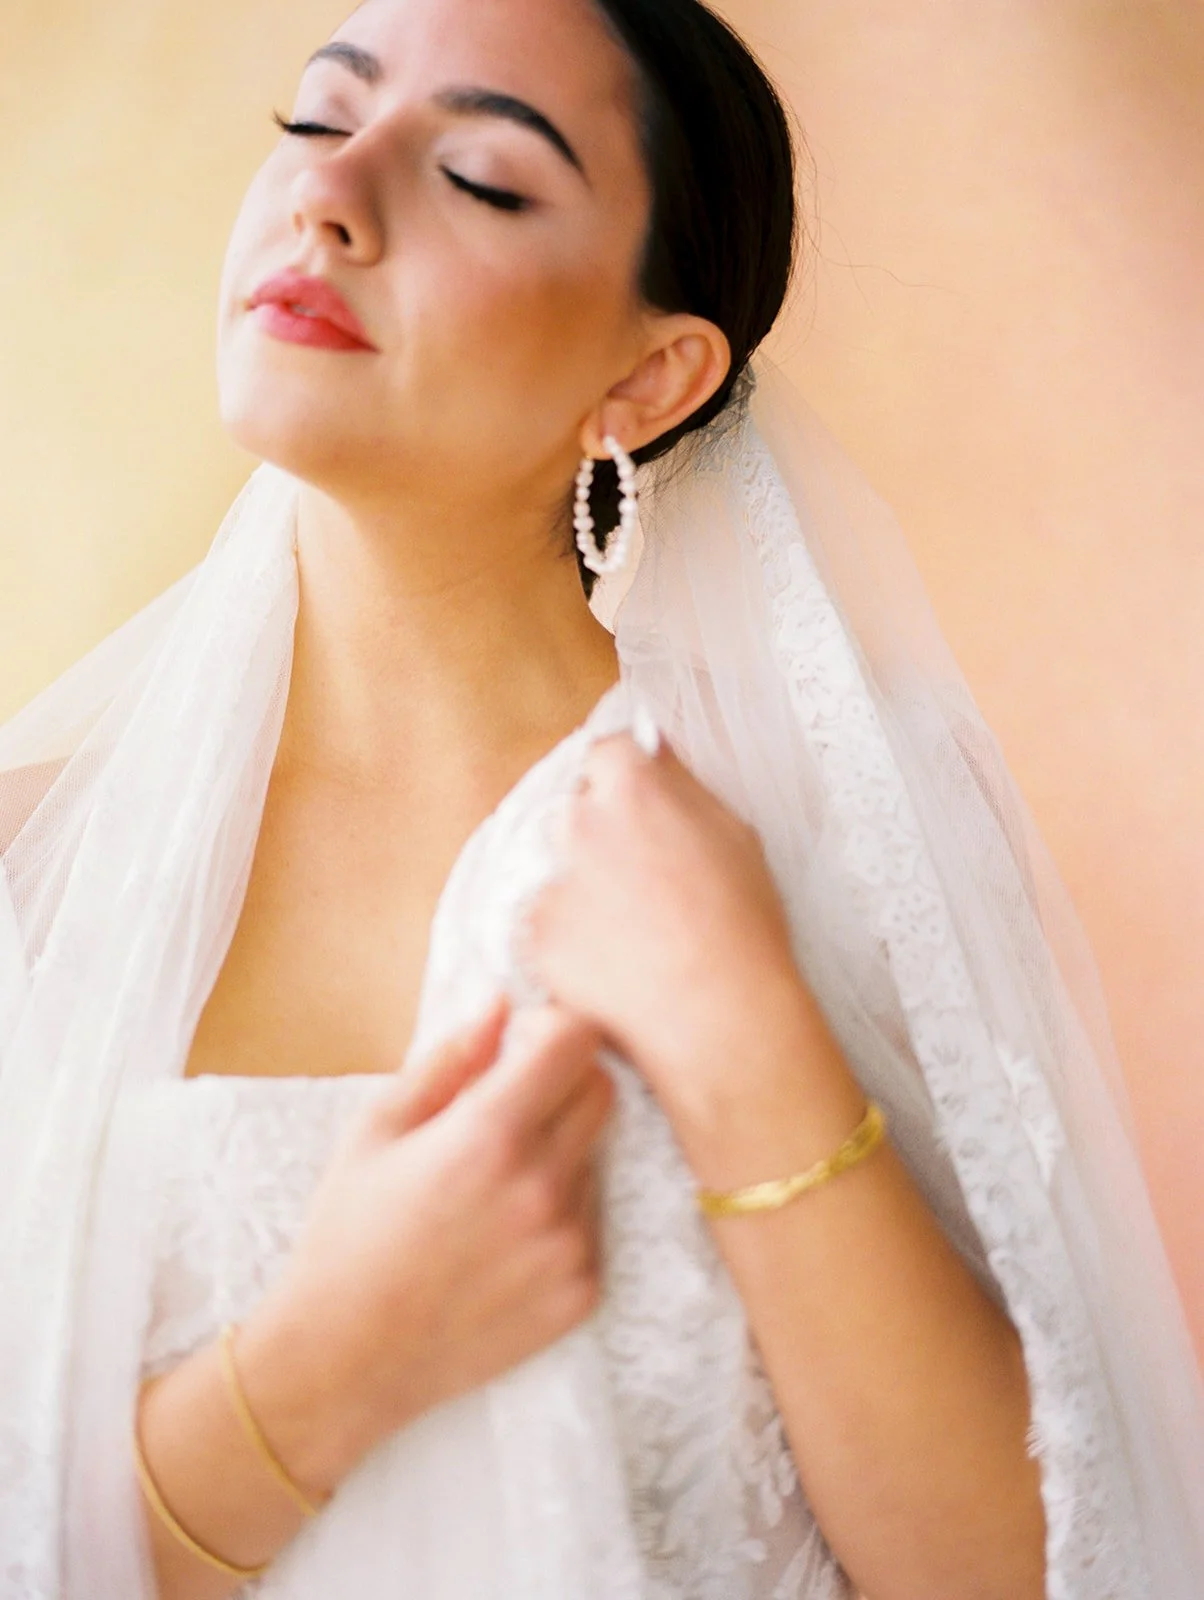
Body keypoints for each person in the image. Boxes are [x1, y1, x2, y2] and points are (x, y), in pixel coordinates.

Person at [1, 0, 1202, 1596]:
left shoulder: (827, 829)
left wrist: (748, 1036)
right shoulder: (33, 862)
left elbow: (1050, 1573)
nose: (329, 196)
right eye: (313, 120)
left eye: (483, 178)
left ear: (648, 375)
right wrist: (325, 1360)